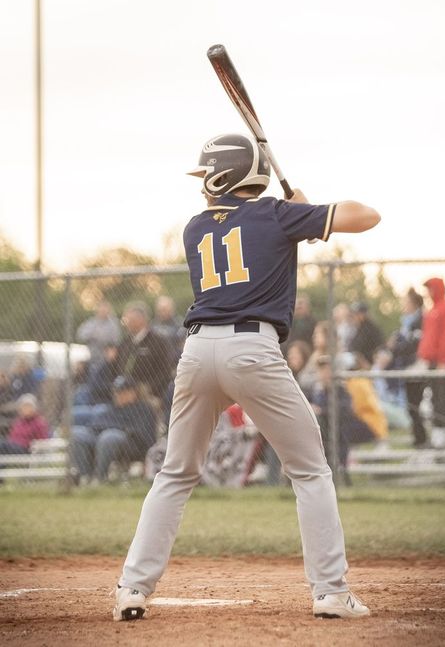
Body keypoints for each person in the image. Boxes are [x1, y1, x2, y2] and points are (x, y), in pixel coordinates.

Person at [113, 133, 380, 621]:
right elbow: (367, 216)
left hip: (196, 353)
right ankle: (331, 593)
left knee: (175, 472)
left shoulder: (195, 228)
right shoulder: (276, 214)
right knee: (310, 470)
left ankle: (132, 587)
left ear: (223, 176)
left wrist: (302, 215)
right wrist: (310, 211)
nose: (202, 186)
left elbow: (249, 231)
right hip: (253, 350)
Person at [70, 376, 157, 483]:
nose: (118, 395)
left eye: (122, 391)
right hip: (101, 436)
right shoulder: (112, 408)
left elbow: (144, 434)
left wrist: (120, 430)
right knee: (77, 434)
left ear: (133, 392)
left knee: (109, 436)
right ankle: (85, 477)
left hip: (130, 444)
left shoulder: (143, 409)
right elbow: (95, 425)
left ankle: (99, 478)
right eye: (116, 392)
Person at [417, 277, 445, 448]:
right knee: (435, 399)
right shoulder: (432, 310)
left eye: (430, 288)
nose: (428, 292)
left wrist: (443, 361)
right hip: (433, 361)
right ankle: (439, 438)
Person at [116, 301, 175, 406]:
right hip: (123, 395)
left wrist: (148, 389)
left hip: (150, 395)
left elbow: (166, 371)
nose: (126, 323)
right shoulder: (125, 342)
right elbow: (118, 367)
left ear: (141, 320)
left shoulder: (159, 341)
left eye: (130, 320)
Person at [388, 288, 425, 446]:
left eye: (407, 302)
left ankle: (422, 440)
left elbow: (412, 346)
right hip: (408, 368)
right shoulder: (407, 322)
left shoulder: (420, 320)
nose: (404, 305)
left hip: (417, 368)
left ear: (414, 304)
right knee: (412, 407)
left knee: (415, 406)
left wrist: (395, 347)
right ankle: (419, 440)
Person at [76, 300, 121, 369]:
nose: (103, 311)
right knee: (80, 368)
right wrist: (94, 335)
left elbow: (115, 340)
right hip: (91, 354)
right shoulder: (91, 322)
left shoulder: (113, 324)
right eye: (101, 309)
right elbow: (81, 335)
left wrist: (98, 336)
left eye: (105, 309)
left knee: (95, 369)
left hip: (105, 356)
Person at [151, 295, 186, 365]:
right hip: (156, 364)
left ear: (172, 309)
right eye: (160, 310)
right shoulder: (152, 326)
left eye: (165, 309)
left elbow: (183, 346)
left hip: (176, 364)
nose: (162, 312)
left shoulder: (180, 324)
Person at [348, 302, 385, 367]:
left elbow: (358, 350)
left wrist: (368, 366)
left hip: (369, 365)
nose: (353, 317)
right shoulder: (358, 328)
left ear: (362, 314)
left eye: (356, 314)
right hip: (359, 364)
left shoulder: (369, 328)